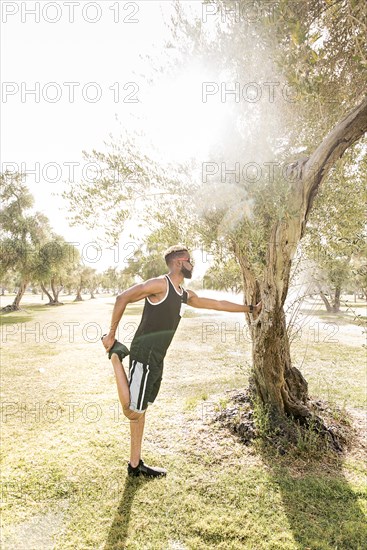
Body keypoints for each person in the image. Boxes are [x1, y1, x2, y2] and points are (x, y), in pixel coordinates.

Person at [102, 245, 261, 478]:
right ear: (179, 262)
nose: (193, 265)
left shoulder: (182, 293)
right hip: (144, 353)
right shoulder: (160, 285)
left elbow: (216, 303)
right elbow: (122, 297)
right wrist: (112, 334)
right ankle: (116, 355)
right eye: (190, 261)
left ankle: (135, 465)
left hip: (157, 356)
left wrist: (249, 309)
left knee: (142, 408)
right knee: (132, 412)